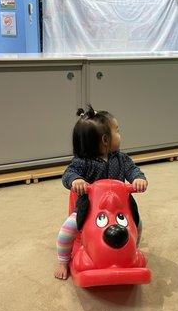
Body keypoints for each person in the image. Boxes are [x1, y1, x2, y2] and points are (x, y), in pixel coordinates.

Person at [55, 105, 148, 280]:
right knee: (67, 230)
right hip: (90, 207)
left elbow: (133, 170)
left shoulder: (121, 159)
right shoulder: (82, 162)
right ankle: (62, 260)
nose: (120, 135)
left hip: (120, 204)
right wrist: (76, 181)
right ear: (106, 139)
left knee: (137, 223)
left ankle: (131, 250)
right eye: (117, 131)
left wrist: (138, 179)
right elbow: (68, 174)